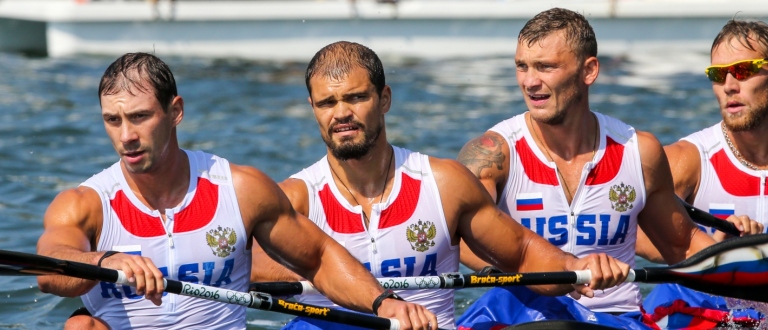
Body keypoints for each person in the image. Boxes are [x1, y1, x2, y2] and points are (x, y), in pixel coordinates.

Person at [35, 52, 436, 330]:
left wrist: (385, 302)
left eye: (140, 117)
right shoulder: (85, 204)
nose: (126, 136)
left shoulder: (240, 189)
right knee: (80, 324)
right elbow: (49, 271)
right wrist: (104, 260)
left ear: (176, 112)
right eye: (112, 120)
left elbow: (318, 257)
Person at [250, 41, 631, 330]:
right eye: (326, 103)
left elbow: (521, 252)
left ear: (384, 99)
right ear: (312, 108)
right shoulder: (295, 199)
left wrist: (574, 266)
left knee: (537, 308)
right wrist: (338, 277)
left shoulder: (444, 183)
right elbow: (243, 268)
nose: (341, 114)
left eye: (355, 97)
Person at [455, 8, 717, 314]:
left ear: (589, 70)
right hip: (520, 313)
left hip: (614, 316)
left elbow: (682, 244)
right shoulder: (493, 154)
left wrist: (749, 260)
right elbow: (464, 242)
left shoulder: (639, 151)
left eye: (545, 67)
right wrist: (562, 267)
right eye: (522, 67)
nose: (529, 81)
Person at [634, 19, 768, 329]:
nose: (730, 86)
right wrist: (710, 249)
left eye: (745, 70)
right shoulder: (687, 160)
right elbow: (624, 230)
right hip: (711, 308)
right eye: (718, 75)